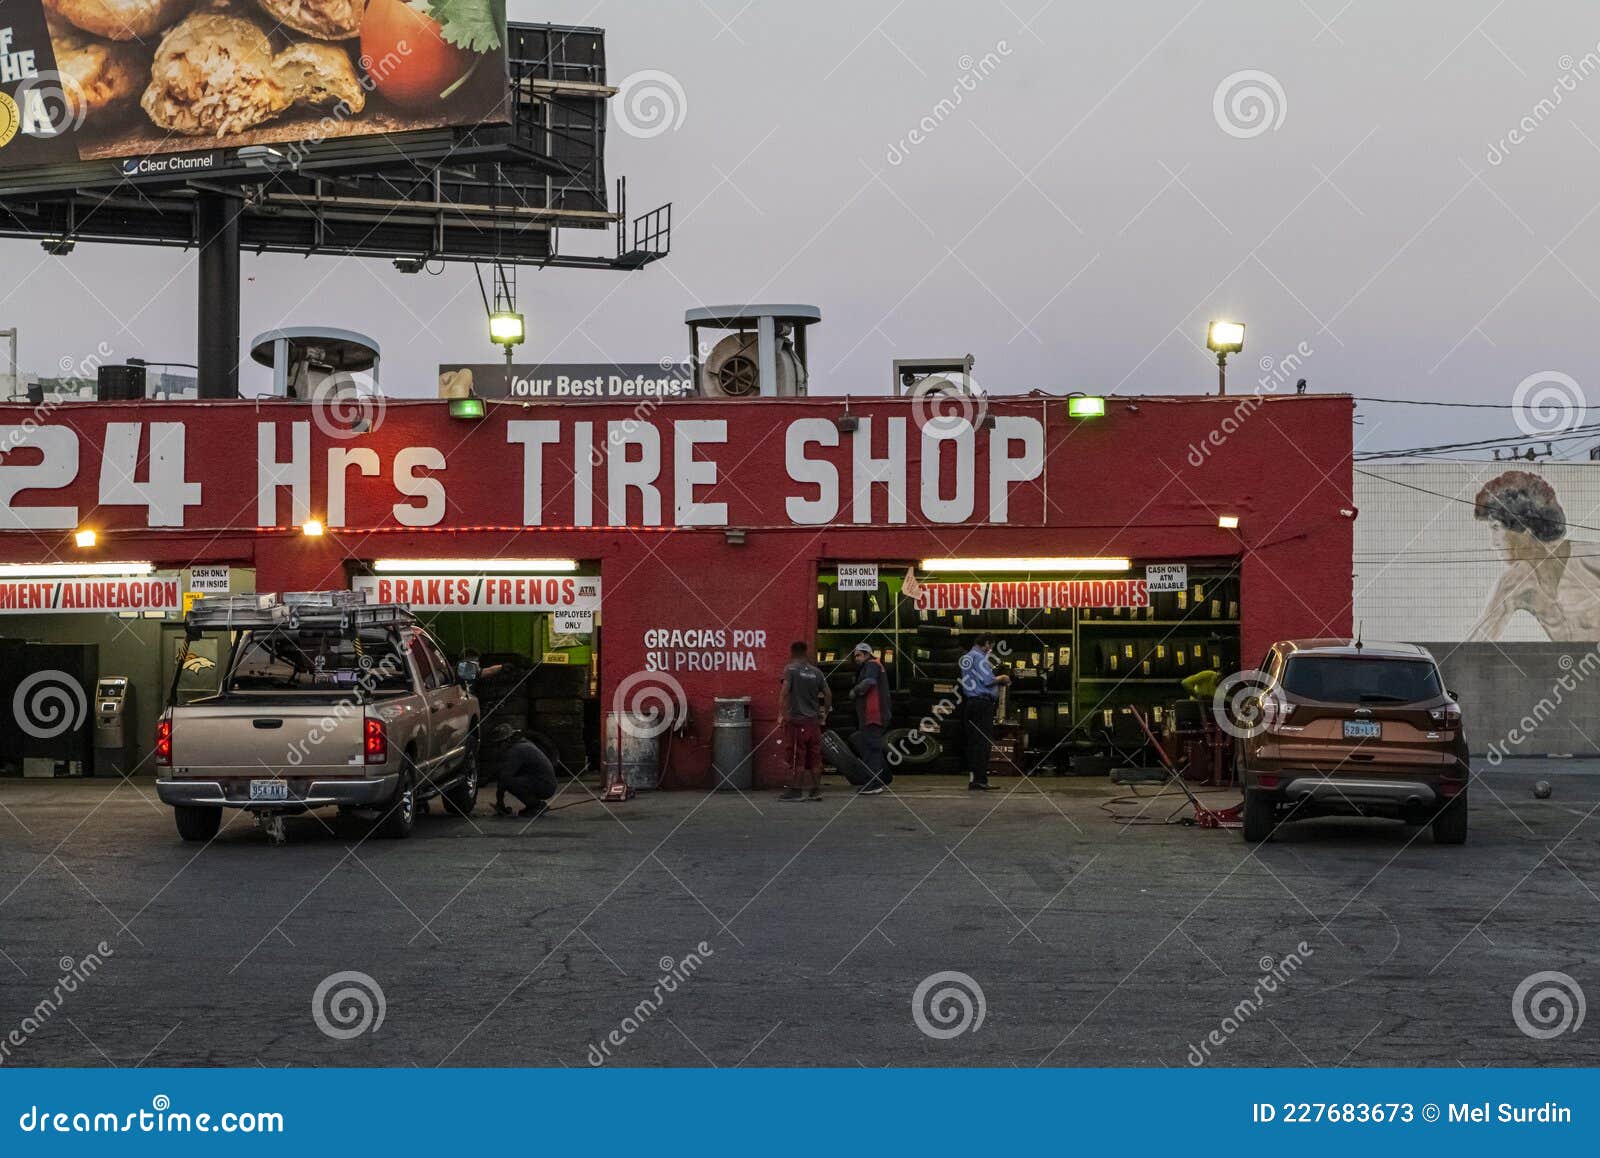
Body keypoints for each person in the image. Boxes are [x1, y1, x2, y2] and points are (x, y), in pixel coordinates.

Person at [778, 641, 831, 801]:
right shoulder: (817, 672)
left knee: (796, 756)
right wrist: (824, 714)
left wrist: (782, 714)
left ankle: (796, 791)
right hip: (813, 723)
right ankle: (816, 791)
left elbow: (784, 693)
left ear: (792, 652)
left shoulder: (790, 669)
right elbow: (828, 694)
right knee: (815, 756)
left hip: (797, 722)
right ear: (806, 652)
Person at [958, 635, 1010, 791]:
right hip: (982, 704)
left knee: (974, 743)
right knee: (982, 743)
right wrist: (1003, 677)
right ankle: (980, 780)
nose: (991, 649)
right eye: (991, 646)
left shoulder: (967, 657)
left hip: (971, 704)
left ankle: (975, 779)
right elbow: (988, 680)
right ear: (986, 644)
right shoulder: (979, 658)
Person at [486, 722, 557, 818]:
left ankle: (536, 806)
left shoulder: (516, 750)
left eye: (499, 744)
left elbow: (504, 777)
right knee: (508, 780)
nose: (497, 748)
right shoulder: (522, 744)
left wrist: (500, 801)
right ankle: (534, 805)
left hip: (545, 785)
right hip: (544, 782)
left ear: (508, 740)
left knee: (508, 782)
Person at [851, 642, 893, 795]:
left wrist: (855, 691)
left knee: (871, 750)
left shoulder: (872, 665)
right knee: (872, 748)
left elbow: (869, 682)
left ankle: (874, 783)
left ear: (867, 654)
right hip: (874, 715)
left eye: (859, 655)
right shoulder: (874, 665)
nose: (856, 658)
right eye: (855, 655)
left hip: (873, 715)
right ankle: (880, 779)